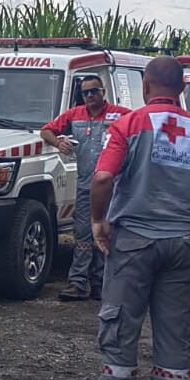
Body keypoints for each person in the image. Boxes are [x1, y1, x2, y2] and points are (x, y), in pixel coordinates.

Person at [74, 56, 190, 380]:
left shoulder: (128, 125)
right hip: (184, 246)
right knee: (176, 337)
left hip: (133, 244)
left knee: (120, 330)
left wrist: (98, 222)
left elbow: (103, 177)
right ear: (183, 89)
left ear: (145, 87)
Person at [40, 75, 132, 301]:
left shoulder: (121, 115)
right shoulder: (75, 114)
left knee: (107, 234)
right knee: (82, 234)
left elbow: (141, 132)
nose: (90, 96)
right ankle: (78, 283)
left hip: (113, 187)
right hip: (85, 187)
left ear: (103, 92)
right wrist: (58, 142)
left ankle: (101, 284)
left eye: (94, 91)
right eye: (85, 92)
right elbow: (47, 130)